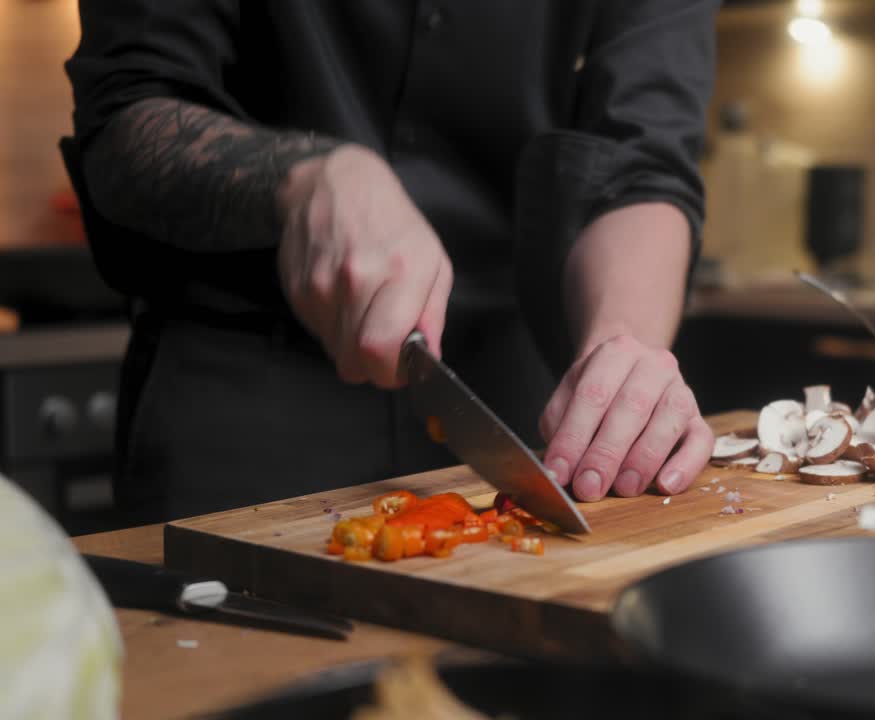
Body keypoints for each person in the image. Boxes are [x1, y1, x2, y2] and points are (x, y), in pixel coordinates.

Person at [61, 1, 719, 524]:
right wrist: (303, 177)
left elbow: (646, 164)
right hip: (236, 408)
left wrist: (621, 345)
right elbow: (125, 116)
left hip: (520, 418)